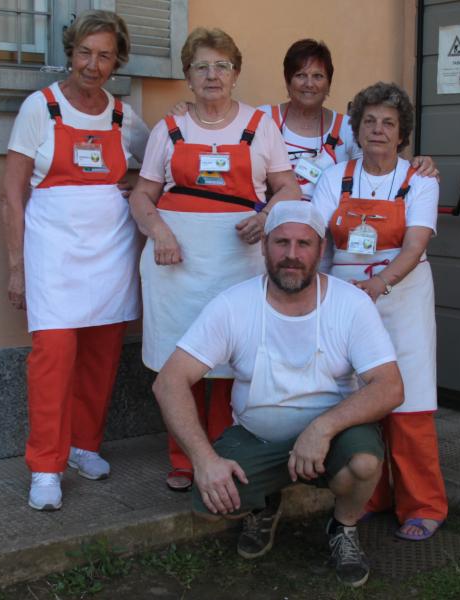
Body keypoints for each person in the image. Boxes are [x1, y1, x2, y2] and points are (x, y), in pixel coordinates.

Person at [153, 201, 404, 588]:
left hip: (332, 439)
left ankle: (344, 526)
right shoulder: (233, 305)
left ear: (321, 250)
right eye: (281, 242)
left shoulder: (350, 304)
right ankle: (265, 501)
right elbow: (168, 381)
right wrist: (203, 461)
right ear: (264, 246)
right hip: (258, 434)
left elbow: (390, 386)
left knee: (364, 465)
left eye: (304, 244)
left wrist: (321, 429)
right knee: (211, 505)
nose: (292, 255)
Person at [129, 28, 300, 492]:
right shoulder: (169, 129)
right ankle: (184, 459)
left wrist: (267, 216)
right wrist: (159, 230)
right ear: (188, 75)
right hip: (175, 264)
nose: (212, 75)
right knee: (177, 359)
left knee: (231, 360)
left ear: (236, 73)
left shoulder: (260, 126)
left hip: (237, 263)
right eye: (202, 66)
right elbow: (142, 196)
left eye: (221, 66)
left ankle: (226, 452)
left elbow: (288, 186)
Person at [1, 10, 146, 511]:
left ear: (116, 61)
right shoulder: (41, 108)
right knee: (53, 359)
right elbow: (11, 194)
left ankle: (85, 445)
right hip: (52, 255)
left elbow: (154, 172)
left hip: (110, 253)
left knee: (101, 356)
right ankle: (46, 466)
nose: (93, 64)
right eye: (85, 52)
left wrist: (134, 187)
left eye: (105, 55)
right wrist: (16, 266)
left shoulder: (126, 117)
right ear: (71, 52)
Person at [312, 82, 448, 540]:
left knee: (409, 399)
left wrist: (380, 283)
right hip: (349, 302)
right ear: (357, 127)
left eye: (388, 123)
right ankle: (372, 494)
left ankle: (424, 503)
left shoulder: (420, 180)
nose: (378, 130)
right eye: (369, 121)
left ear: (402, 131)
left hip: (402, 297)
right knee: (359, 396)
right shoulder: (335, 177)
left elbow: (415, 245)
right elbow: (318, 240)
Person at [258, 39, 438, 200]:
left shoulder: (348, 126)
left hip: (328, 227)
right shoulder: (263, 119)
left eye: (318, 76)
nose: (309, 84)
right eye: (300, 75)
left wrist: (418, 166)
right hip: (272, 225)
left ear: (329, 84)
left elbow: (376, 166)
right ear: (287, 81)